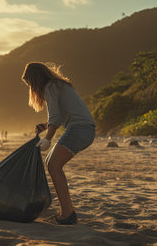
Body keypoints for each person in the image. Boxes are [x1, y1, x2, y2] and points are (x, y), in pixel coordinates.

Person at [21, 62, 96, 225]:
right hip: (85, 129)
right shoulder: (59, 85)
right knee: (50, 162)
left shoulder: (50, 87)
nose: (31, 88)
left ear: (35, 80)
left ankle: (68, 213)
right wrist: (45, 126)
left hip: (80, 129)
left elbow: (55, 118)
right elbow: (60, 116)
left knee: (54, 165)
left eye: (29, 84)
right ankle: (66, 210)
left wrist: (47, 138)